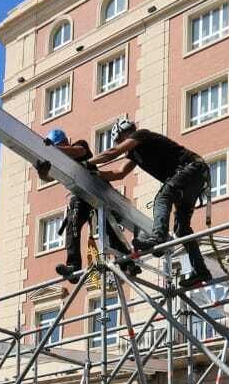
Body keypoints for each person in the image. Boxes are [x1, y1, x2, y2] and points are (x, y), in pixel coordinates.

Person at [90, 117, 213, 288]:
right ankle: (200, 270)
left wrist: (88, 163)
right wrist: (96, 174)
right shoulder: (135, 154)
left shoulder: (141, 135)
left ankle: (158, 237)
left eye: (119, 140)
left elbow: (113, 152)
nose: (121, 145)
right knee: (182, 228)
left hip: (191, 169)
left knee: (163, 197)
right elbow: (119, 173)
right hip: (191, 179)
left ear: (124, 134)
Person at [37, 129, 140, 285]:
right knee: (73, 226)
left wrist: (53, 150)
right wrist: (42, 172)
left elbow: (77, 152)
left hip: (99, 190)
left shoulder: (79, 146)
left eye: (60, 146)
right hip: (80, 196)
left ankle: (127, 263)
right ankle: (73, 267)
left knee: (109, 229)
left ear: (64, 143)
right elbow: (48, 176)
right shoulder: (60, 162)